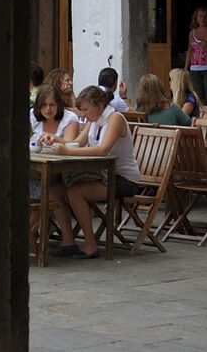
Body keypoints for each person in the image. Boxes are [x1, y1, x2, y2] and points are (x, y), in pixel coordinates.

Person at [41, 86, 137, 259]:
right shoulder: (94, 120)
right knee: (54, 190)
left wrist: (67, 152)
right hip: (101, 174)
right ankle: (68, 241)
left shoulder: (114, 118)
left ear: (99, 105)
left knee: (75, 192)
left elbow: (102, 149)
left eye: (86, 109)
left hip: (121, 178)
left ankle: (90, 244)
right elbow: (77, 143)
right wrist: (56, 139)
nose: (83, 115)